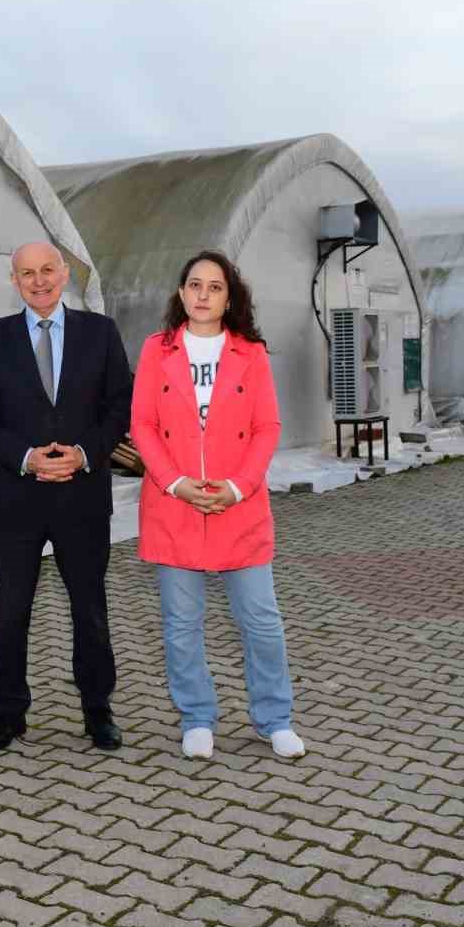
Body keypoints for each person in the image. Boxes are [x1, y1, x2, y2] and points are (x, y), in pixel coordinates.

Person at [128, 250, 306, 761]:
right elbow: (142, 424)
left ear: (229, 299)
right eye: (195, 285)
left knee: (261, 621)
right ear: (181, 294)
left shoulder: (251, 354)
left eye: (215, 287)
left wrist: (239, 486)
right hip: (175, 507)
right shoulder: (155, 350)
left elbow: (268, 427)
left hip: (239, 509)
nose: (204, 294)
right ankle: (197, 717)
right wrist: (174, 482)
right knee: (182, 624)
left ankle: (275, 719)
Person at [0, 242, 132, 751]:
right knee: (11, 609)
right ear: (13, 281)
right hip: (18, 498)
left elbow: (119, 407)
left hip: (82, 496)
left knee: (89, 607)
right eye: (27, 274)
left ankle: (98, 710)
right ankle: (9, 713)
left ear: (65, 274)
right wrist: (26, 457)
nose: (39, 281)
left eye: (47, 271)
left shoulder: (100, 333)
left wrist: (84, 454)